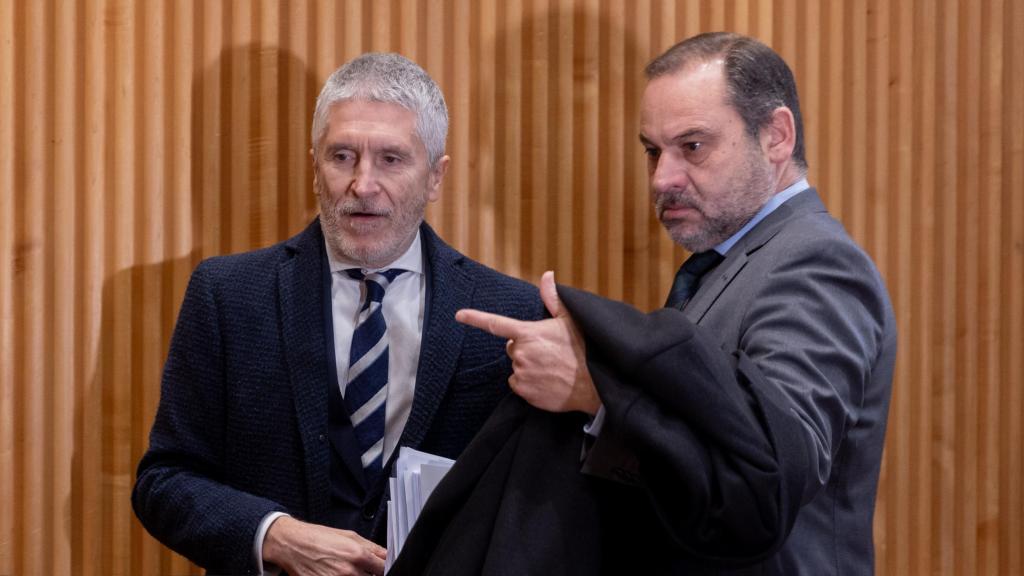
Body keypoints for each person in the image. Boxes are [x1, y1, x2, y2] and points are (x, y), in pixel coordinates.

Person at [412, 32, 896, 574]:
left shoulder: (815, 264)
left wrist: (595, 394)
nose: (662, 178)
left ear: (777, 136)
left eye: (693, 146)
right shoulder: (728, 265)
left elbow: (767, 480)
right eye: (652, 151)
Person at [132, 52, 542, 576]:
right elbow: (163, 480)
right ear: (314, 165)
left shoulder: (510, 312)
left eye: (391, 160)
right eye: (342, 156)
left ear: (436, 177)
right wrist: (274, 535)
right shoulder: (227, 296)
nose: (362, 185)